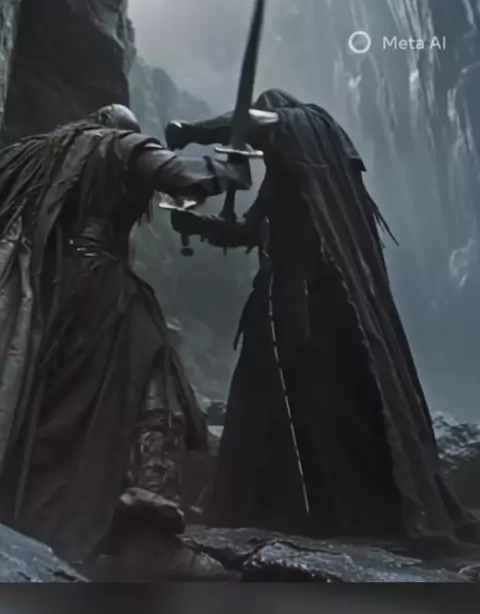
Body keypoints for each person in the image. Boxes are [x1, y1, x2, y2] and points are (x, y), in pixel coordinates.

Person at [167, 89, 480, 555]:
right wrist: (196, 225)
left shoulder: (309, 127)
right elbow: (252, 231)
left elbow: (257, 121)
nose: (263, 145)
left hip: (311, 300)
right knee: (274, 397)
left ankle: (328, 509)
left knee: (317, 397)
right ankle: (279, 505)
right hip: (289, 299)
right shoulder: (288, 174)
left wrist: (191, 131)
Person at [0, 103, 250, 573]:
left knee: (64, 401)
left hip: (50, 290)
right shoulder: (116, 145)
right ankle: (148, 525)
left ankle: (53, 515)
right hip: (101, 286)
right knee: (155, 378)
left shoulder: (37, 153)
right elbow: (184, 176)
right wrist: (229, 168)